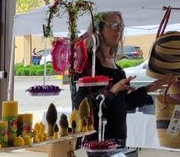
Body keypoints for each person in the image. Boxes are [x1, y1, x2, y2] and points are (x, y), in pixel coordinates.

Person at [73, 11, 173, 146]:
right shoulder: (88, 63)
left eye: (121, 26)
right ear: (98, 29)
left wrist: (150, 88)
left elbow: (123, 104)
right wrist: (112, 91)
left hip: (118, 138)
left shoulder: (117, 69)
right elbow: (80, 104)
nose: (119, 30)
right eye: (114, 25)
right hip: (94, 140)